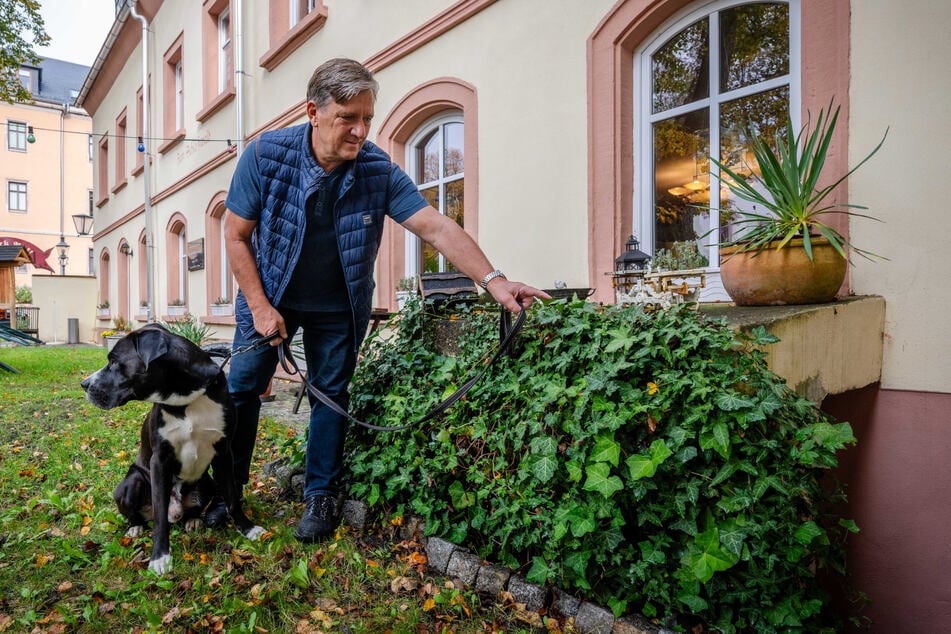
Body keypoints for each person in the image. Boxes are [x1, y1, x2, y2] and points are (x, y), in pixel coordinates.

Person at [209, 58, 550, 543]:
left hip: (338, 305)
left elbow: (434, 225)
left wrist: (494, 279)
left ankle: (320, 495)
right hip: (269, 297)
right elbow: (236, 236)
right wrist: (261, 309)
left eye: (367, 118)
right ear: (313, 111)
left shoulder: (376, 171)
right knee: (242, 390)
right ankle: (228, 491)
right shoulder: (265, 154)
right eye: (349, 117)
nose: (361, 129)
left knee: (331, 395)